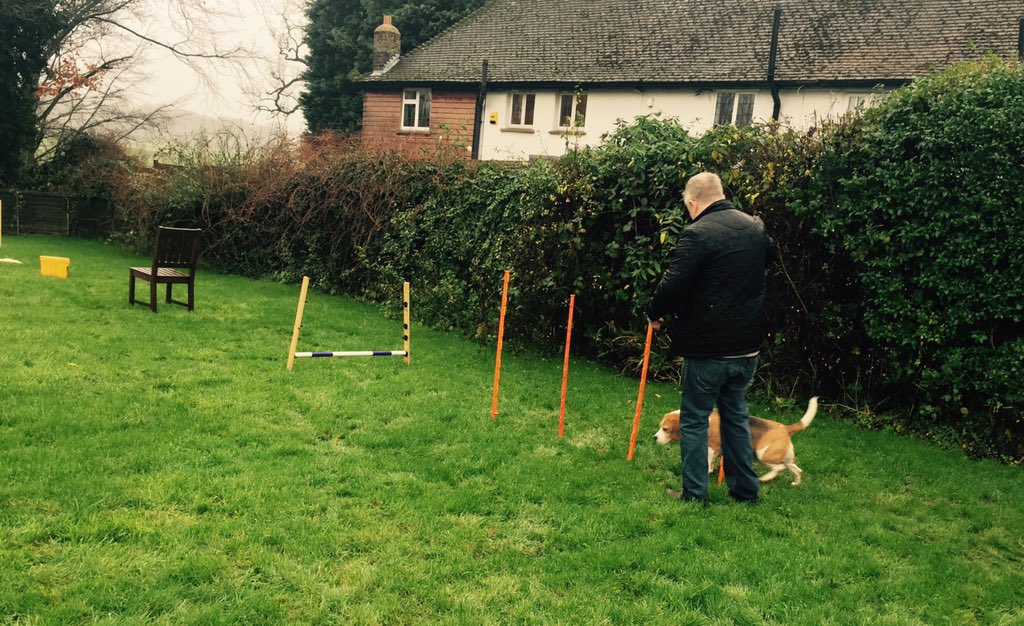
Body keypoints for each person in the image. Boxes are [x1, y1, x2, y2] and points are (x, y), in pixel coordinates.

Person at [646, 172, 777, 504]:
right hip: (747, 348)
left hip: (708, 350)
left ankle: (693, 494)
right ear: (720, 194)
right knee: (735, 417)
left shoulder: (697, 234)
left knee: (693, 419)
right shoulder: (755, 227)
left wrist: (654, 313)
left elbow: (673, 284)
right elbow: (770, 261)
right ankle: (746, 492)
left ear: (693, 202)